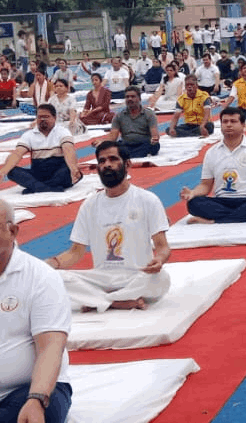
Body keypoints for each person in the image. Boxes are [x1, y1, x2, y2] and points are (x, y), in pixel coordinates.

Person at [46, 141, 170, 313]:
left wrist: (160, 260)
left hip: (137, 276)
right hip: (103, 280)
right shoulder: (89, 205)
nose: (107, 165)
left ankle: (96, 300)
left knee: (162, 279)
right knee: (54, 277)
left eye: (113, 159)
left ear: (127, 164)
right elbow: (76, 252)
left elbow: (162, 247)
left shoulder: (147, 200)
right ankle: (116, 301)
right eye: (102, 161)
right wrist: (51, 264)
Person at [0, 198, 73, 423]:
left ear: (13, 231)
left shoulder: (40, 277)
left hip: (29, 390)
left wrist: (36, 398)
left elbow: (51, 345)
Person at [180, 107, 246, 224]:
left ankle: (213, 221)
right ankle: (241, 216)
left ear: (243, 125)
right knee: (194, 203)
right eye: (225, 122)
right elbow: (205, 185)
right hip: (221, 201)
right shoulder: (212, 152)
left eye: (233, 121)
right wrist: (192, 193)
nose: (228, 125)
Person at [0, 105, 82, 193]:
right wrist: (2, 172)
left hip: (57, 171)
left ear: (54, 118)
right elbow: (17, 154)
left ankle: (36, 187)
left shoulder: (63, 132)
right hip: (38, 173)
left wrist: (74, 169)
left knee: (68, 171)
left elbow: (68, 151)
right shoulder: (29, 135)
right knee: (12, 171)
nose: (42, 120)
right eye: (39, 117)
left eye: (46, 117)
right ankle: (48, 188)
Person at [95, 86, 161, 158]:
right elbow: (113, 136)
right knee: (112, 148)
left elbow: (154, 134)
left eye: (133, 97)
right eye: (127, 97)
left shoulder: (149, 114)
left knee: (155, 146)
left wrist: (154, 139)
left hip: (144, 143)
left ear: (139, 99)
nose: (130, 99)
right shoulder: (119, 116)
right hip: (126, 144)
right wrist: (102, 142)